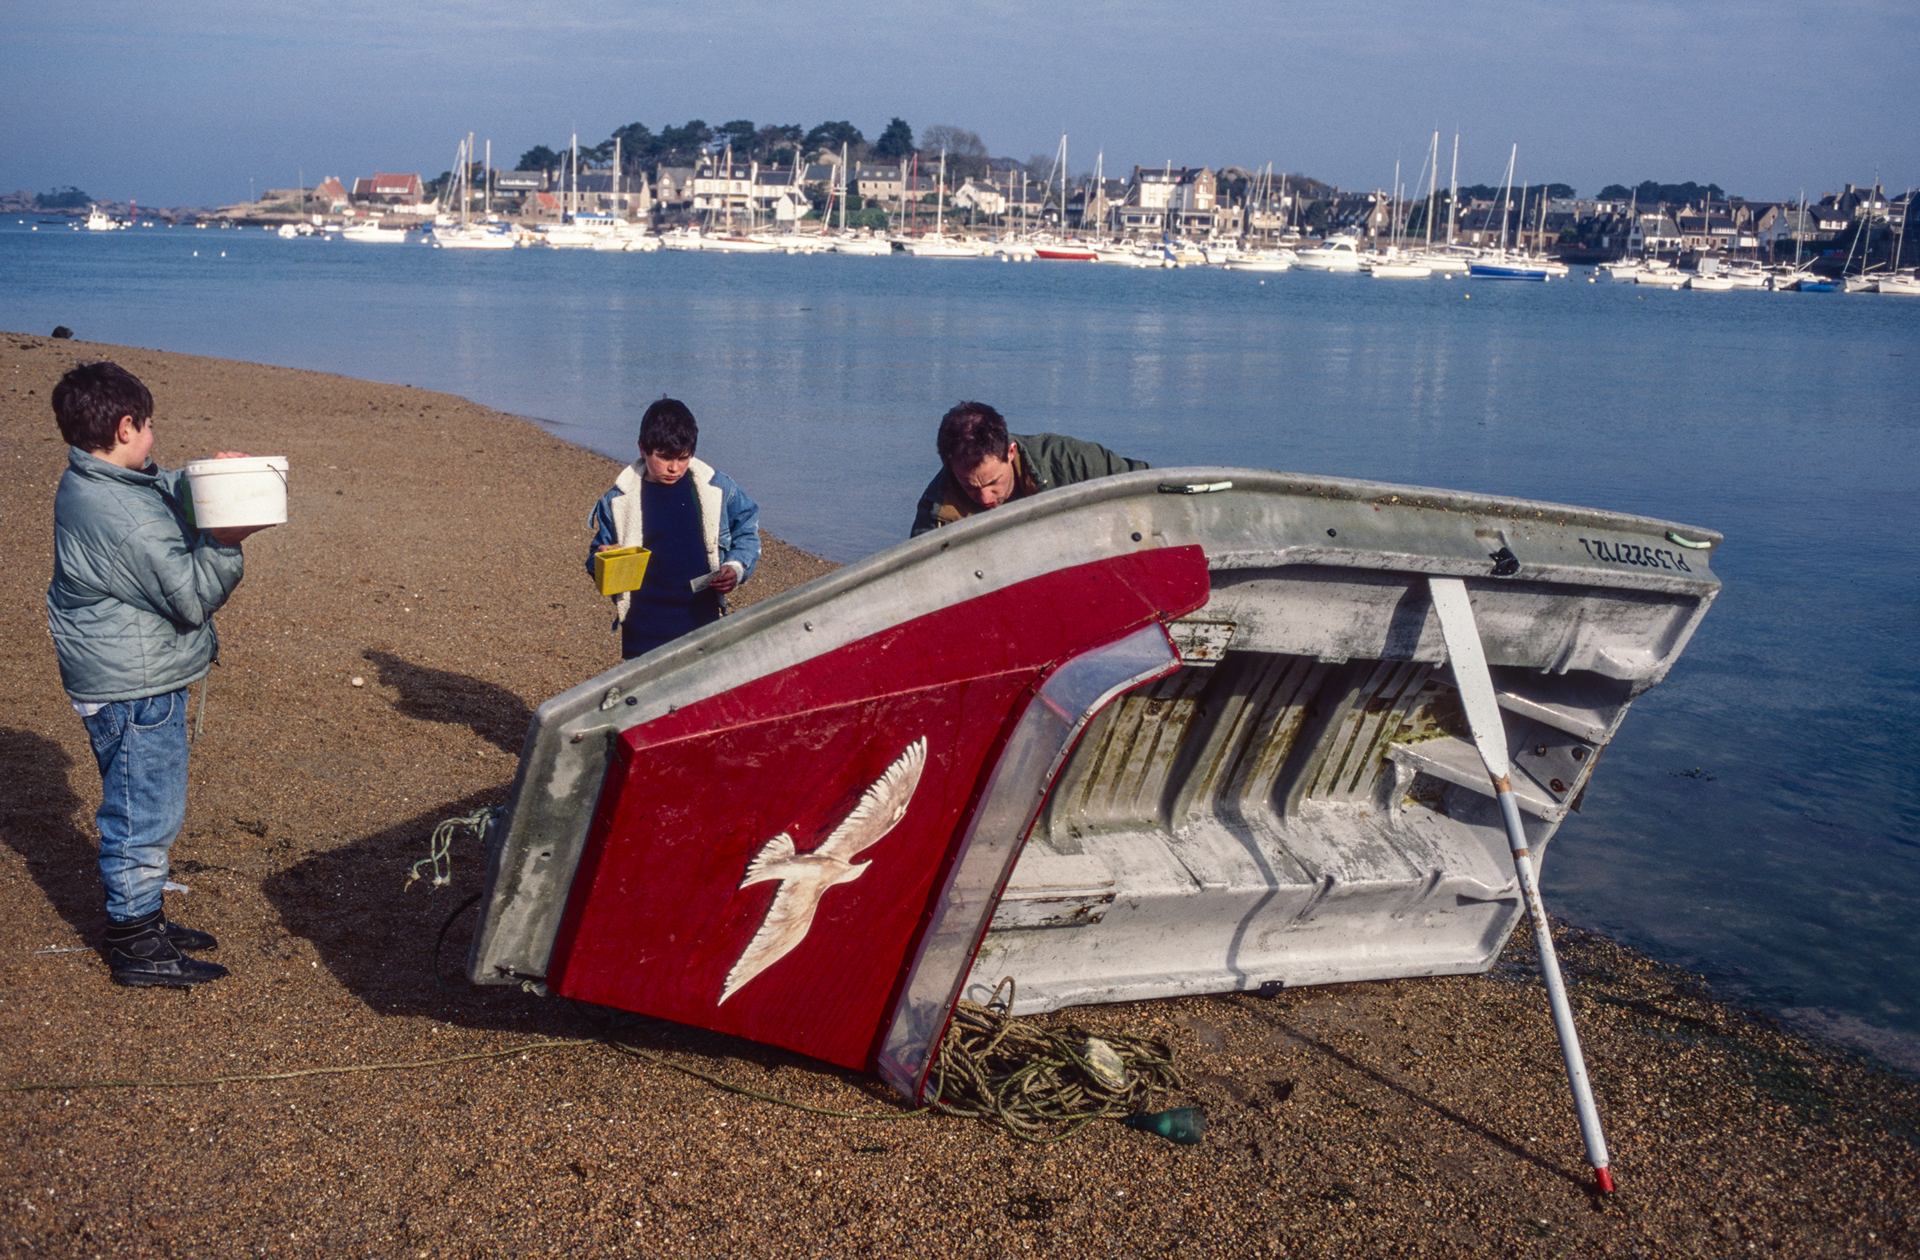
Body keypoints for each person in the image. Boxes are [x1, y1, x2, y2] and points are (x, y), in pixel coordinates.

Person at [46, 361, 265, 988]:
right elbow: (192, 596)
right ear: (123, 426)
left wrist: (212, 478)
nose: (154, 438)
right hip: (133, 688)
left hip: (122, 673)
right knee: (144, 815)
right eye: (147, 427)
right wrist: (226, 537)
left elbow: (155, 484)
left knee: (145, 806)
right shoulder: (128, 519)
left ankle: (145, 919)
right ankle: (135, 941)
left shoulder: (96, 478)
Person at [588, 397, 761, 659]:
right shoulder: (617, 500)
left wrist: (736, 568)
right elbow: (594, 560)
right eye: (664, 457)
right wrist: (605, 558)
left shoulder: (716, 488)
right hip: (642, 627)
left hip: (701, 621)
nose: (674, 467)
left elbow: (747, 528)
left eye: (683, 458)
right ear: (643, 449)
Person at [909, 401, 1149, 536]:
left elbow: (1148, 484)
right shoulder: (937, 510)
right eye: (970, 487)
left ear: (1011, 452)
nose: (984, 498)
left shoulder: (1068, 461)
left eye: (993, 483)